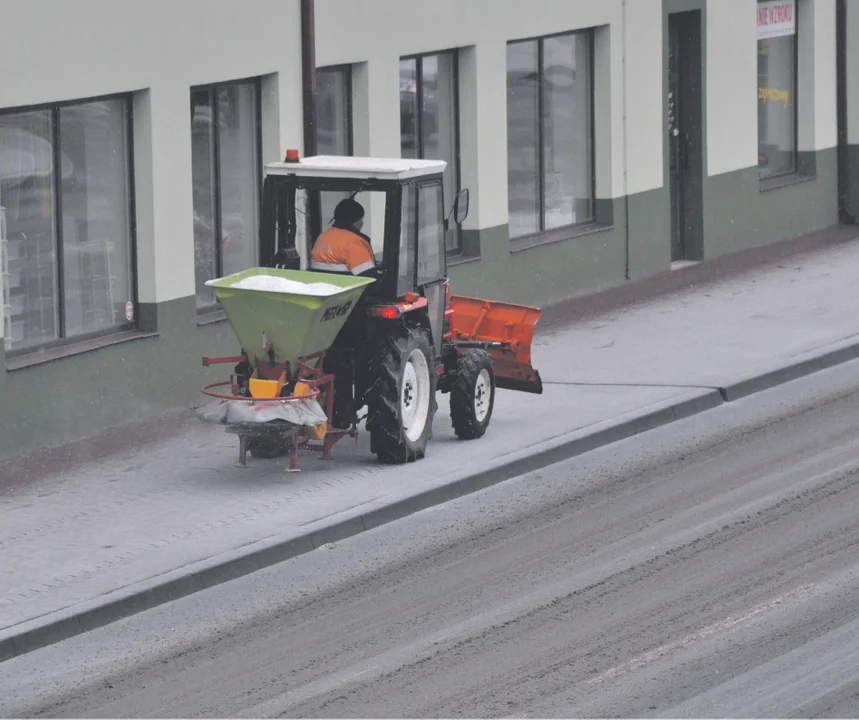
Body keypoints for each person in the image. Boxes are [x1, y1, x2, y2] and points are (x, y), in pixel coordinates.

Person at [310, 198, 379, 279]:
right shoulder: (354, 242)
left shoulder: (324, 236)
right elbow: (369, 279)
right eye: (361, 219)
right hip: (345, 289)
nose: (362, 223)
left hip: (321, 286)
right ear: (354, 221)